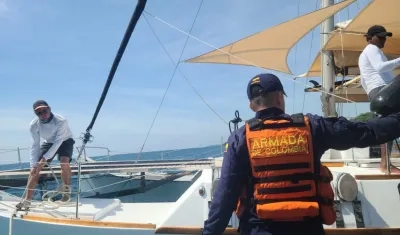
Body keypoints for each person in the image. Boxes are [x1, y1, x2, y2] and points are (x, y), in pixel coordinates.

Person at [203, 73, 400, 235]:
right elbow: (366, 132)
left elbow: (225, 198)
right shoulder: (313, 127)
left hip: (258, 229)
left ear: (252, 105)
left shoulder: (240, 139)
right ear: (280, 98)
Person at [16, 100, 75, 209]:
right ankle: (27, 200)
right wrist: (34, 164)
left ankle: (66, 194)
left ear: (50, 108)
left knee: (64, 162)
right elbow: (35, 144)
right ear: (36, 114)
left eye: (45, 110)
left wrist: (44, 160)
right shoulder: (34, 125)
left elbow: (58, 142)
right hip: (49, 142)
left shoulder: (61, 120)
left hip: (65, 140)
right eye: (39, 112)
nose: (43, 113)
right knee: (34, 169)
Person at [358, 25, 400, 174]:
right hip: (383, 90)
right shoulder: (372, 49)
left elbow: (364, 80)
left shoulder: (365, 54)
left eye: (385, 37)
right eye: (380, 37)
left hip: (377, 92)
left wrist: (372, 95)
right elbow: (381, 67)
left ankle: (385, 163)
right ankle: (385, 164)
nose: (384, 40)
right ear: (370, 38)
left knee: (388, 125)